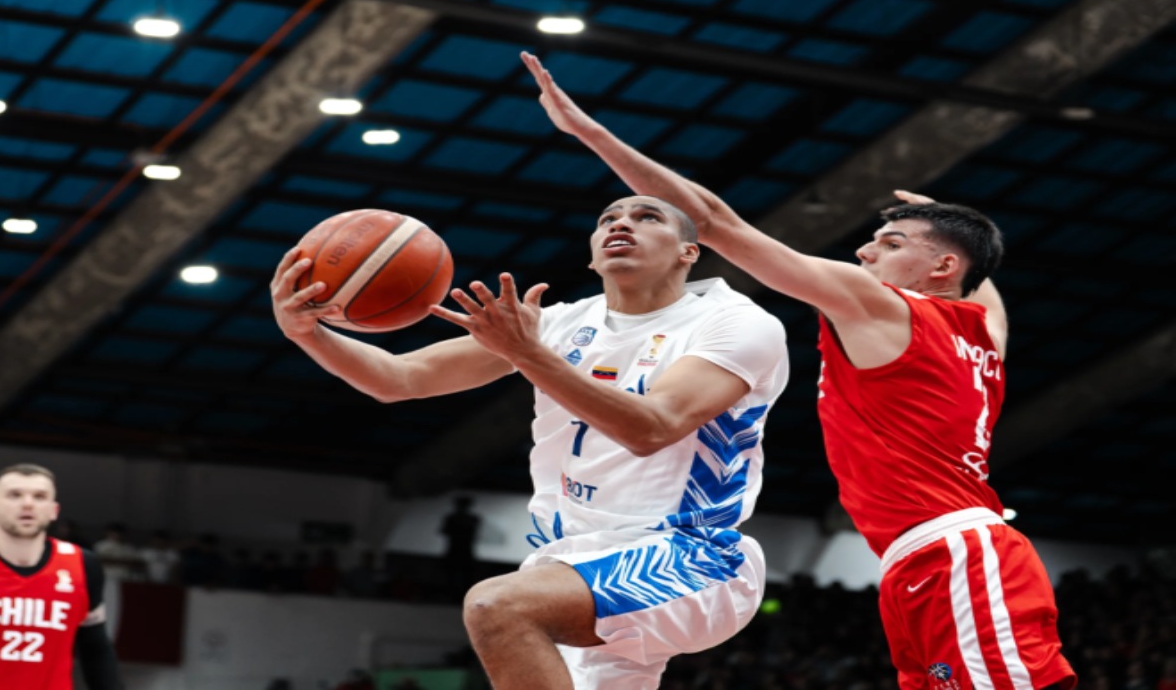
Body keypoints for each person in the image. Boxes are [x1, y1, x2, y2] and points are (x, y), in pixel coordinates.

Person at [519, 51, 1075, 690]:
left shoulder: (879, 305)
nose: (865, 251)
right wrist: (955, 229)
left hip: (952, 551)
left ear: (942, 269)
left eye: (891, 244)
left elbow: (716, 221)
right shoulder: (981, 336)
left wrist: (589, 132)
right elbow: (984, 295)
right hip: (927, 556)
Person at [272, 189, 788, 688]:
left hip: (691, 556)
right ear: (592, 255)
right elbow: (398, 379)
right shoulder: (557, 325)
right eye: (608, 219)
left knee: (500, 607)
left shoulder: (736, 323)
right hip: (569, 561)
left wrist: (526, 352)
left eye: (647, 216)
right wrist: (307, 333)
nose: (621, 224)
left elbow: (652, 428)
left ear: (688, 252)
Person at [0, 464, 122, 690]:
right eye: (14, 495)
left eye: (40, 496)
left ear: (54, 510)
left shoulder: (82, 564)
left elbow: (95, 648)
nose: (28, 504)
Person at [440, 496, 481, 599]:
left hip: (457, 549)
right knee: (459, 574)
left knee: (455, 574)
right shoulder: (472, 519)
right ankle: (459, 595)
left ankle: (454, 595)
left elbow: (444, 531)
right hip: (461, 549)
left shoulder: (452, 518)